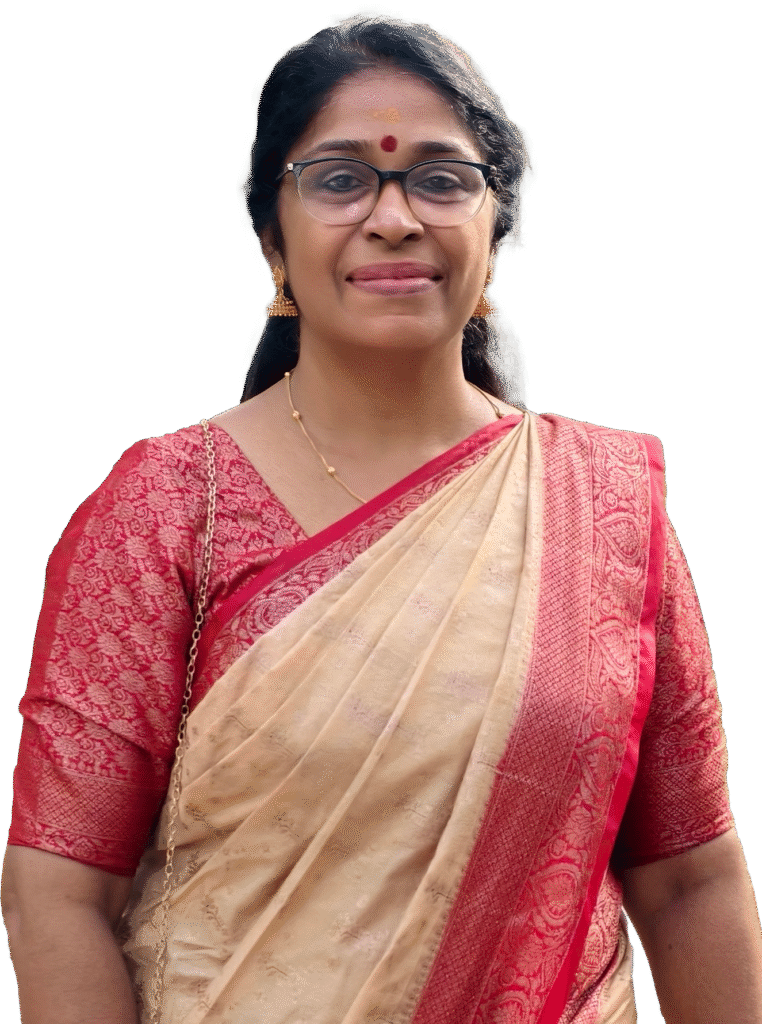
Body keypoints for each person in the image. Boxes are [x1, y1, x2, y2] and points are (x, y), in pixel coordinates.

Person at [2, 14, 760, 1024]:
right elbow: (57, 894)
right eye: (340, 179)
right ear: (271, 234)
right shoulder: (172, 502)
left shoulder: (602, 502)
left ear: (495, 226)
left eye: (441, 179)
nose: (395, 217)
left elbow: (690, 878)